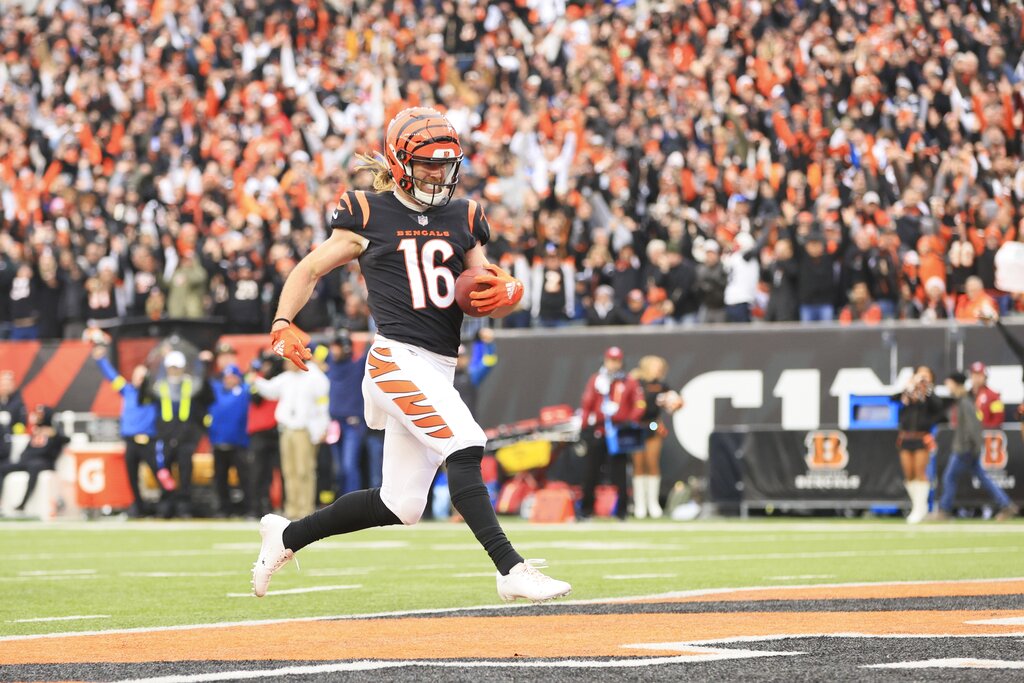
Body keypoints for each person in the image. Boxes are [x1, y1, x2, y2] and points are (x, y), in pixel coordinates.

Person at [251, 107, 571, 602]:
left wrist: (510, 292)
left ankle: (287, 536)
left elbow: (484, 285)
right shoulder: (366, 211)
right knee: (465, 441)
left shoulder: (464, 215)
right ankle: (511, 568)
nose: (437, 173)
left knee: (400, 504)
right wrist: (282, 321)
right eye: (426, 164)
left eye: (445, 164)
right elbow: (311, 269)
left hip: (439, 364)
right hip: (395, 356)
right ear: (401, 162)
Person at [251, 355, 330, 520]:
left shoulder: (314, 377)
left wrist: (322, 427)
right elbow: (270, 390)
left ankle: (305, 508)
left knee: (304, 470)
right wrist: (256, 380)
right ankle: (292, 508)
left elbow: (323, 404)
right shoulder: (285, 378)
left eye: (289, 360)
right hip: (286, 429)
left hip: (304, 429)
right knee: (288, 471)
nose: (286, 364)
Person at [934, 372, 1018, 521]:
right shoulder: (962, 400)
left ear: (955, 383)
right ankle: (1006, 505)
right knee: (982, 477)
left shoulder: (965, 401)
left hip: (964, 448)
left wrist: (973, 446)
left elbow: (973, 426)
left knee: (950, 477)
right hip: (968, 447)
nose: (947, 385)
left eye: (949, 382)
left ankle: (944, 510)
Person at [92, 343, 164, 517]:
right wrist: (101, 360)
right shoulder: (127, 391)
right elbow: (112, 376)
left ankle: (167, 504)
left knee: (160, 473)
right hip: (131, 440)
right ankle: (139, 508)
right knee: (132, 477)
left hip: (149, 440)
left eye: (142, 376)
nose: (139, 379)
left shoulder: (153, 395)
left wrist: (164, 358)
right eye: (136, 375)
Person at [143, 348, 214, 518]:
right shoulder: (160, 386)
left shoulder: (191, 384)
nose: (174, 370)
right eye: (171, 367)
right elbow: (144, 399)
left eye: (177, 367)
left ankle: (184, 506)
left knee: (185, 472)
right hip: (165, 436)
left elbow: (206, 399)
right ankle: (166, 504)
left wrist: (204, 367)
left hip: (186, 437)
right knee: (164, 471)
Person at [578, 346, 646, 521]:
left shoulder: (628, 381)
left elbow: (639, 404)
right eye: (610, 360)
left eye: (616, 361)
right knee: (591, 472)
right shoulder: (597, 380)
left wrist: (627, 419)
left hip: (618, 432)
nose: (613, 364)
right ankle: (586, 511)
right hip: (599, 430)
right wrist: (584, 426)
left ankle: (622, 511)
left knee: (620, 473)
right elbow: (586, 404)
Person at [324, 329, 382, 496]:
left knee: (350, 466)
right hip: (335, 424)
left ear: (346, 349)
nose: (333, 350)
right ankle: (343, 503)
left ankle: (352, 503)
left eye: (337, 347)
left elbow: (373, 351)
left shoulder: (358, 367)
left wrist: (371, 339)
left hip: (352, 425)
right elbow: (312, 347)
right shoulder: (332, 366)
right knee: (339, 469)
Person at [629, 355, 683, 519]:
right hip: (636, 426)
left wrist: (676, 403)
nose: (658, 368)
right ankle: (640, 504)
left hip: (653, 425)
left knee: (652, 462)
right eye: (654, 365)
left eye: (660, 366)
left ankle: (652, 503)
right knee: (638, 464)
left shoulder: (662, 385)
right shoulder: (634, 382)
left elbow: (674, 402)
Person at [894, 366, 946, 524]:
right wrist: (909, 387)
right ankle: (916, 505)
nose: (922, 377)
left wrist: (926, 388)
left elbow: (938, 408)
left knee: (919, 471)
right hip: (905, 437)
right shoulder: (909, 394)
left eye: (926, 375)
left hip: (921, 437)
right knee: (908, 473)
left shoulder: (930, 395)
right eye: (920, 374)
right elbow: (894, 399)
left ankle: (920, 508)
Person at [0, 405, 68, 514]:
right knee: (2, 468)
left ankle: (23, 503)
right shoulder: (36, 431)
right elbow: (27, 449)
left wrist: (53, 433)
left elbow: (66, 439)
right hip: (28, 461)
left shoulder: (54, 431)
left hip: (44, 462)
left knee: (34, 466)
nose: (37, 417)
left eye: (40, 414)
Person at [207, 364, 251, 517]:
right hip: (219, 442)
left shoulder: (245, 391)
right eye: (226, 377)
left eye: (232, 377)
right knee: (220, 479)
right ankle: (223, 509)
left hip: (239, 443)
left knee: (244, 477)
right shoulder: (217, 391)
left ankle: (248, 507)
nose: (229, 380)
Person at [968, 361, 1005, 429]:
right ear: (970, 376)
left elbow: (998, 420)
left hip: (986, 435)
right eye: (975, 375)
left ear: (985, 377)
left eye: (980, 375)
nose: (977, 378)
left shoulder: (994, 397)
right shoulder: (965, 396)